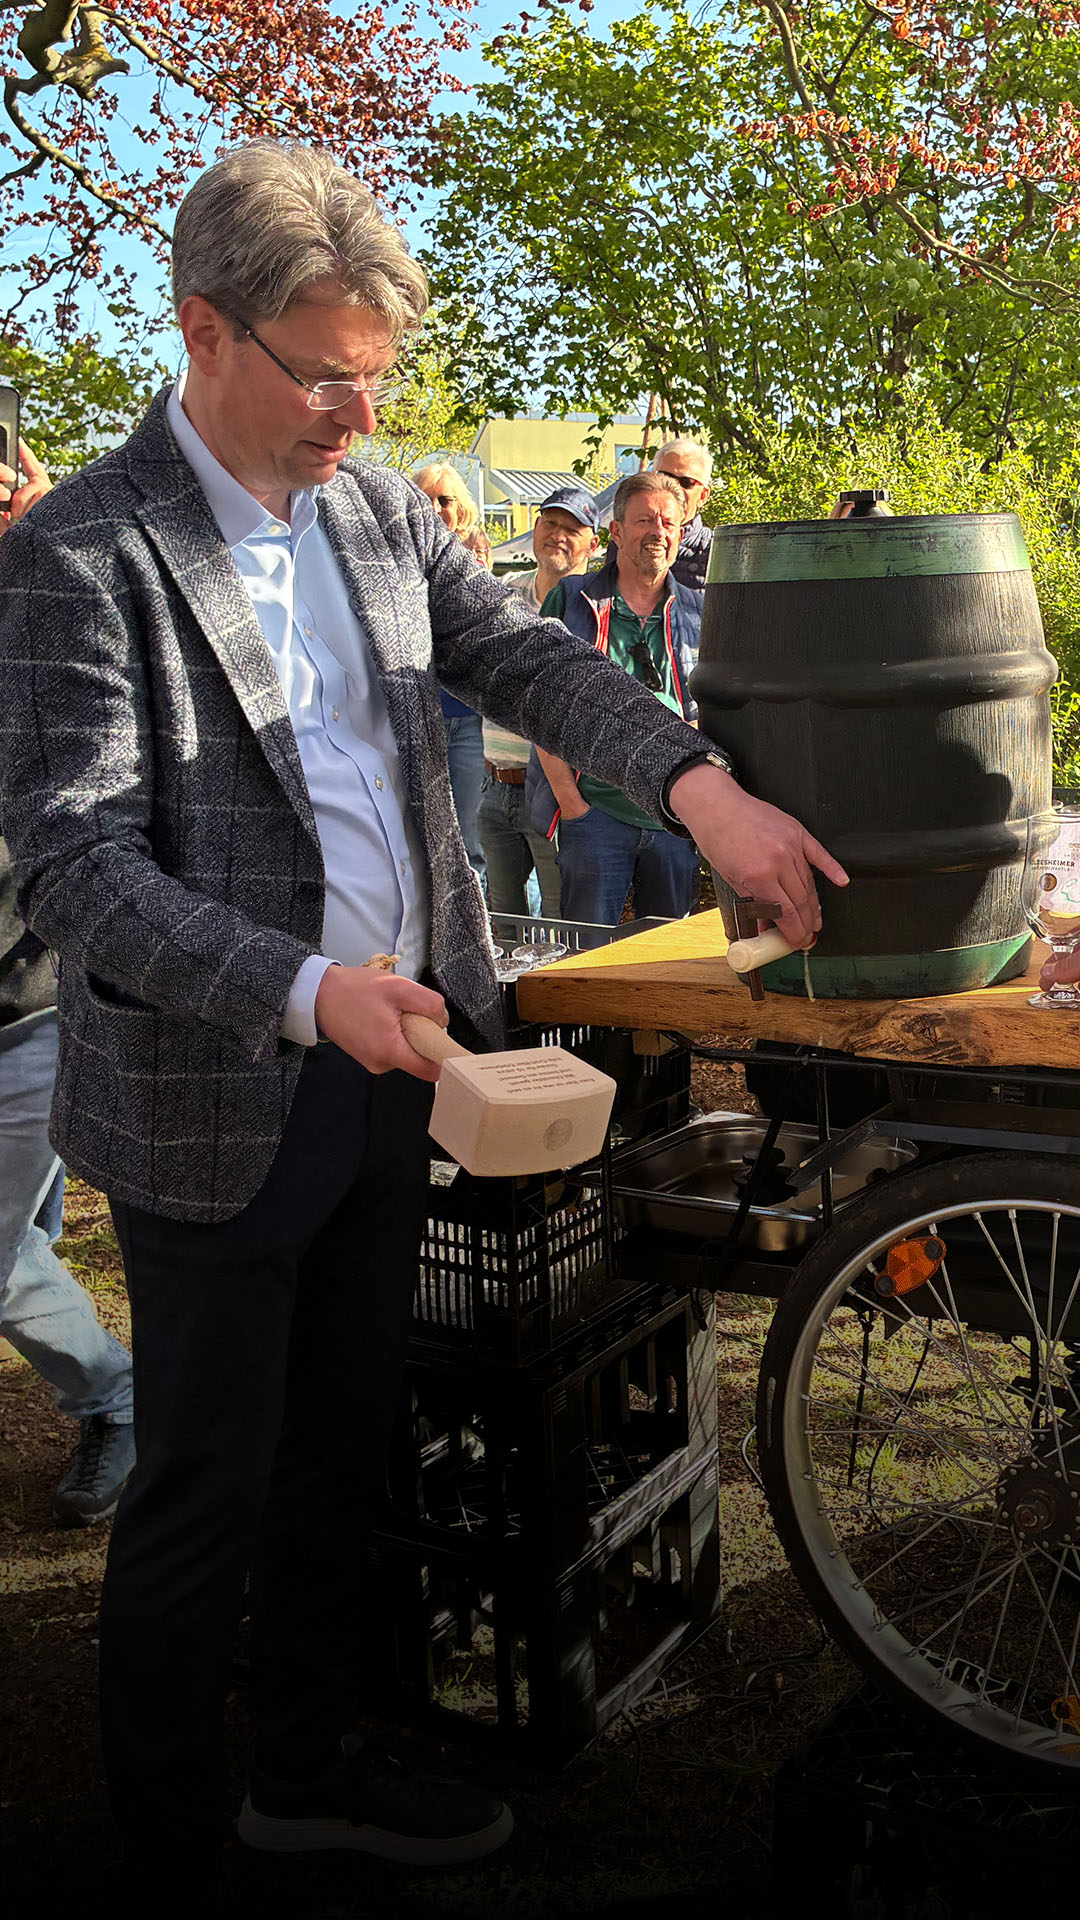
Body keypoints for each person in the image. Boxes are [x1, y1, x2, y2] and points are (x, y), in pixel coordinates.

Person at [0, 138, 845, 1911]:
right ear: (204, 330)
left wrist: (699, 792)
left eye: (375, 382)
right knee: (199, 1501)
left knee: (341, 1463)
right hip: (217, 1096)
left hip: (414, 1074)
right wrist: (307, 993)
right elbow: (76, 869)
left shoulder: (382, 513)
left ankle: (299, 1777)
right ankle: (164, 1845)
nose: (351, 417)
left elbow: (531, 666)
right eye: (323, 375)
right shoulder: (85, 550)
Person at [0, 439, 135, 1528]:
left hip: (32, 1013)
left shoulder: (42, 595)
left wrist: (51, 524)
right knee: (15, 1245)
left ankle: (119, 1398)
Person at [527, 472, 705, 924]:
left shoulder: (700, 611)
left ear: (681, 533)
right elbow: (540, 709)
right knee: (586, 958)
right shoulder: (572, 599)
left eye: (669, 522)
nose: (658, 533)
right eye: (645, 520)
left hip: (674, 817)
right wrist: (572, 803)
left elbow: (717, 712)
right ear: (617, 531)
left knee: (665, 964)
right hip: (595, 814)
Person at [479, 487, 600, 917]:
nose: (558, 535)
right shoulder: (502, 597)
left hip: (559, 791)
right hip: (494, 784)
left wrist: (572, 799)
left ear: (594, 544)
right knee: (500, 919)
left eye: (572, 529)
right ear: (535, 529)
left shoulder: (594, 609)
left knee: (562, 920)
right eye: (550, 524)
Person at [412, 462, 486, 886]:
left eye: (445, 500)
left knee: (469, 842)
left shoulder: (473, 572)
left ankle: (478, 937)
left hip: (468, 723)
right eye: (426, 499)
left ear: (463, 511)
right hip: (417, 721)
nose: (436, 508)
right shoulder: (395, 570)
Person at [654, 436, 713, 591]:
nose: (674, 487)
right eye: (666, 477)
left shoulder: (715, 552)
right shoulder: (626, 541)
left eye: (687, 482)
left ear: (703, 496)